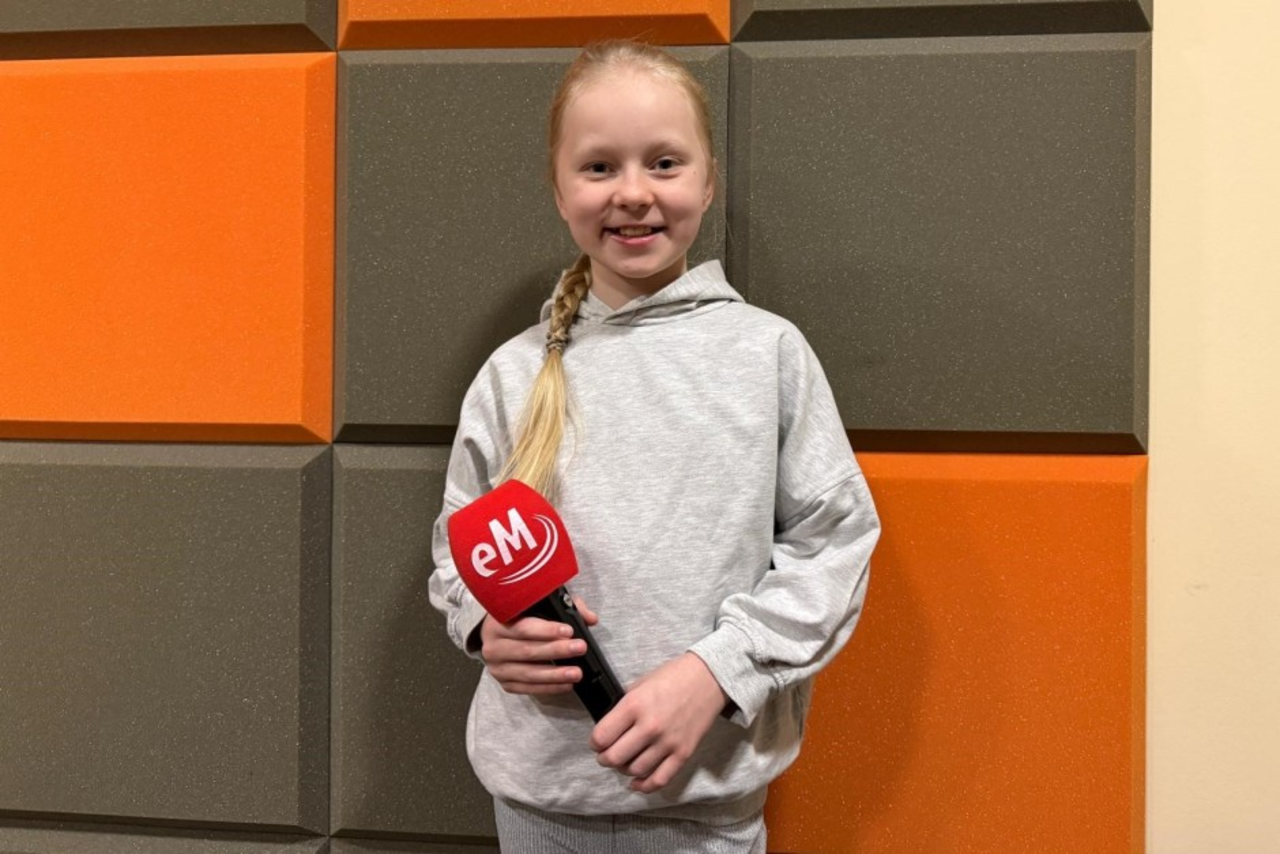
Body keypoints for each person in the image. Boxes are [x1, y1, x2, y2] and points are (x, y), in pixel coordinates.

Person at [429, 40, 880, 854]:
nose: (633, 192)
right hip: (536, 805)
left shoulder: (767, 355)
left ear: (708, 182)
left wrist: (719, 670)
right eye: (599, 167)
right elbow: (457, 548)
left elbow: (835, 542)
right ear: (559, 189)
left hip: (704, 813)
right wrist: (483, 626)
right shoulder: (512, 373)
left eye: (664, 163)